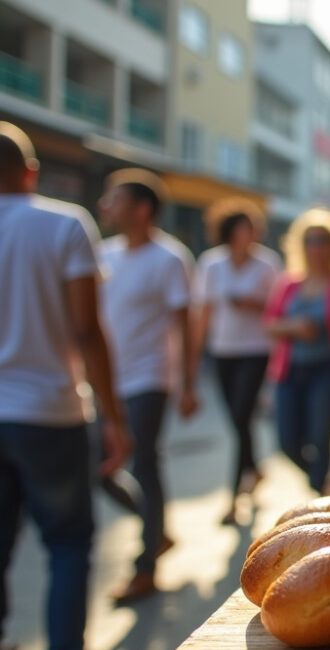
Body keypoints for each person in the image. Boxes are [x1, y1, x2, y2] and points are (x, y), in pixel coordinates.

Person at [0, 122, 131, 650]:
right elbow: (86, 330)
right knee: (69, 546)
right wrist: (114, 417)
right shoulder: (64, 225)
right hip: (50, 412)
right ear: (31, 172)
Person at [94, 168, 198, 602]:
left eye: (114, 198)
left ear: (141, 209)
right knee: (97, 467)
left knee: (143, 465)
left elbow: (184, 328)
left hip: (148, 379)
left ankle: (144, 570)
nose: (105, 205)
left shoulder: (169, 259)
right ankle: (155, 528)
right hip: (105, 383)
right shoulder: (102, 255)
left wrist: (187, 384)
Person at [191, 198, 282, 525]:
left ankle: (234, 498)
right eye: (245, 228)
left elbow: (278, 311)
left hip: (256, 351)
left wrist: (254, 305)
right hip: (223, 351)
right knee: (237, 420)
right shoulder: (211, 264)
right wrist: (192, 361)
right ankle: (254, 468)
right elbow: (203, 314)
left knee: (242, 415)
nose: (251, 233)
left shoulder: (267, 265)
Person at [264, 209, 330, 494]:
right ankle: (326, 487)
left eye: (323, 240)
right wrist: (295, 327)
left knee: (320, 438)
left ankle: (322, 501)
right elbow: (269, 325)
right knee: (287, 443)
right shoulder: (288, 284)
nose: (317, 247)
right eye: (310, 240)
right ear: (301, 244)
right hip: (291, 371)